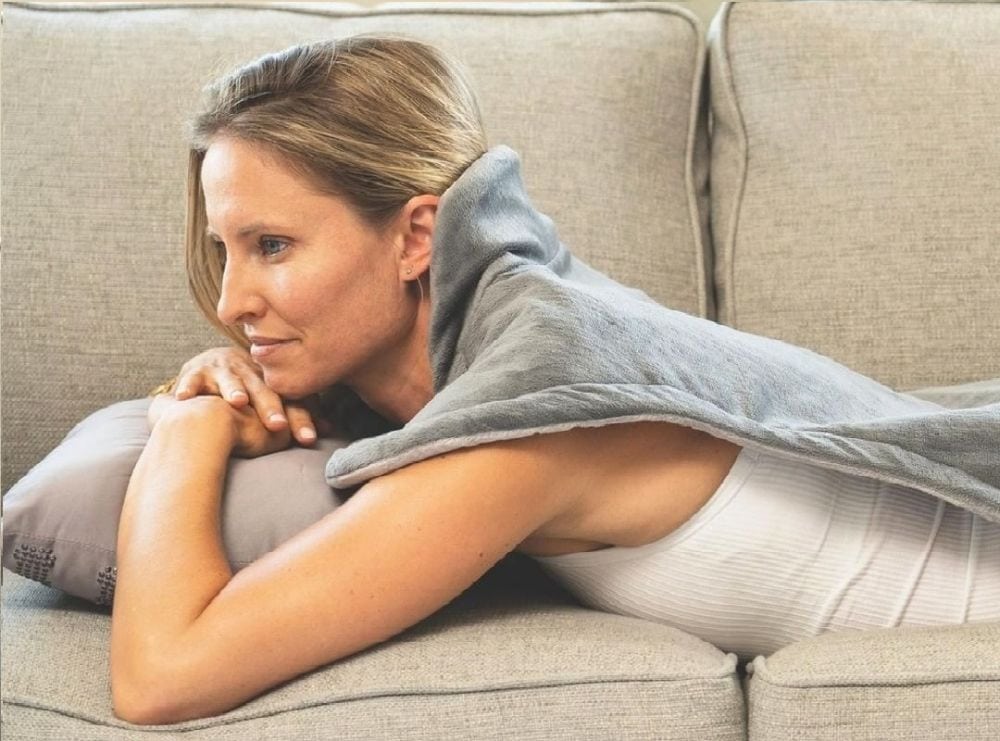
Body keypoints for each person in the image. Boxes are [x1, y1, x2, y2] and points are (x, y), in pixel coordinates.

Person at [112, 34, 1000, 725]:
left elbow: (164, 673)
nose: (232, 301)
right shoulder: (496, 335)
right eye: (227, 250)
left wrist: (186, 425)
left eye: (273, 246)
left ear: (417, 237)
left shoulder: (527, 417)